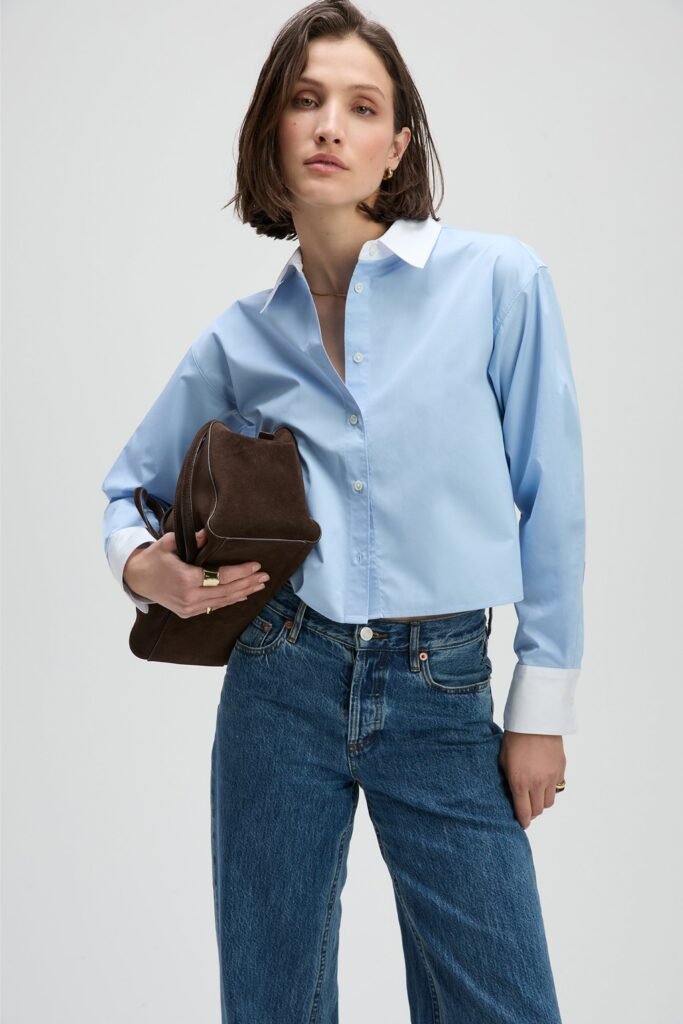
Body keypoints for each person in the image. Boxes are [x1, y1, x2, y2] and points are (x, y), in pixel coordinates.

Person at [101, 1, 585, 1020]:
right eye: (305, 100)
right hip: (280, 678)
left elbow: (553, 500)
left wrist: (537, 708)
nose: (329, 126)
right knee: (272, 1002)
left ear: (395, 145)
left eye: (361, 107)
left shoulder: (497, 283)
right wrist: (150, 571)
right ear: (271, 132)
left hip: (443, 688)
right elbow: (125, 490)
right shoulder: (241, 340)